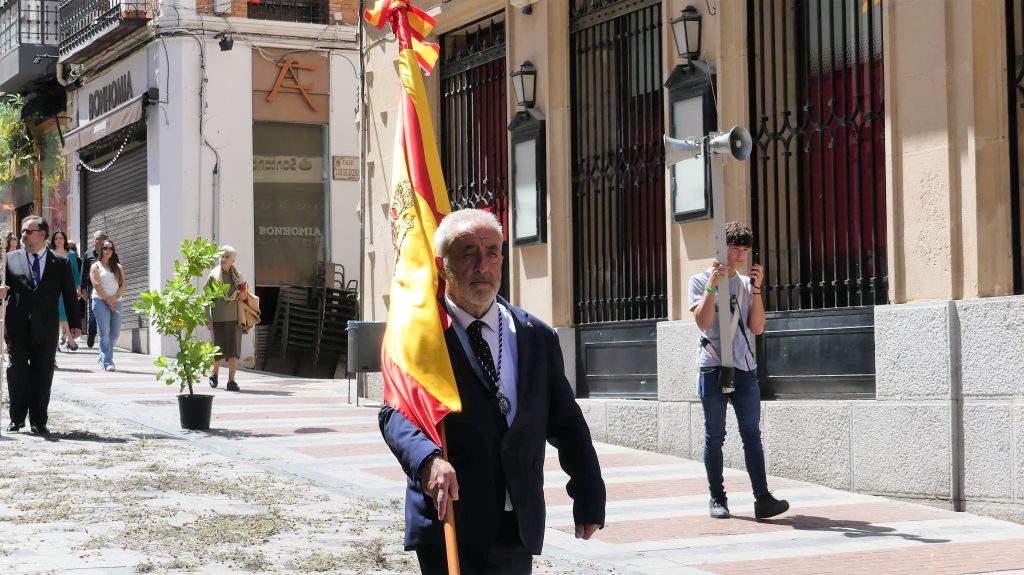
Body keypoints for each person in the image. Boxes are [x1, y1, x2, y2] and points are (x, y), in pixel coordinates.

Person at [379, 209, 606, 575]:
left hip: (516, 521)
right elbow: (393, 414)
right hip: (449, 521)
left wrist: (589, 494)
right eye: (468, 252)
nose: (482, 265)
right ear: (442, 265)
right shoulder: (421, 338)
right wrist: (429, 461)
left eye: (493, 252)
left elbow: (567, 423)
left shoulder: (536, 336)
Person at [688, 221, 789, 521]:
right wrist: (712, 286)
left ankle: (763, 498)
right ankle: (717, 498)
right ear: (723, 249)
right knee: (715, 436)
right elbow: (703, 322)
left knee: (752, 435)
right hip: (713, 366)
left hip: (744, 368)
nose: (740, 256)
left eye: (744, 250)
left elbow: (757, 327)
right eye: (735, 249)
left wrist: (756, 290)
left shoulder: (746, 285)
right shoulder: (699, 280)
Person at [0, 216, 81, 434]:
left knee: (42, 373)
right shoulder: (9, 258)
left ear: (42, 234)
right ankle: (16, 419)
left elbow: (69, 295)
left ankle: (38, 420)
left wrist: (75, 323)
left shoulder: (60, 262)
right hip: (16, 326)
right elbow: (2, 289)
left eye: (28, 231)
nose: (23, 235)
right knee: (16, 372)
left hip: (46, 328)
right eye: (23, 231)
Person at [206, 246, 248, 392]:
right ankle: (214, 374)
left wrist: (242, 291)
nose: (223, 259)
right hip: (217, 318)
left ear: (233, 260)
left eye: (227, 257)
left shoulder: (238, 276)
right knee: (217, 349)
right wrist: (208, 318)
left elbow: (243, 297)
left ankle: (231, 381)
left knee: (233, 351)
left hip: (234, 318)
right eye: (222, 256)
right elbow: (207, 299)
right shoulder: (213, 276)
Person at [89, 239, 125, 372]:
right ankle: (107, 361)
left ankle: (104, 355)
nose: (107, 251)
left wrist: (114, 299)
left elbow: (122, 285)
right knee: (105, 333)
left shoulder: (118, 267)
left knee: (115, 334)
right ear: (101, 250)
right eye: (105, 248)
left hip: (117, 302)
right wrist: (108, 300)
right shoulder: (95, 266)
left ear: (113, 251)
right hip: (99, 301)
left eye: (110, 248)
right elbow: (96, 285)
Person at [50, 230, 81, 351]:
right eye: (56, 238)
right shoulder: (50, 253)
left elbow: (75, 273)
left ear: (64, 240)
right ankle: (69, 340)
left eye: (61, 238)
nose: (58, 240)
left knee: (65, 314)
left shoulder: (72, 254)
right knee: (59, 314)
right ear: (54, 241)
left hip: (68, 289)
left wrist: (78, 289)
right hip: (54, 289)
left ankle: (64, 339)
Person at [79, 230, 107, 348]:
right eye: (96, 238)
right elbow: (83, 272)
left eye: (100, 238)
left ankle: (104, 338)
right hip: (93, 286)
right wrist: (83, 289)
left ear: (104, 240)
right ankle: (92, 334)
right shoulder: (88, 254)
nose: (98, 240)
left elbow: (117, 269)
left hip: (107, 286)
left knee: (107, 312)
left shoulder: (109, 252)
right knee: (93, 311)